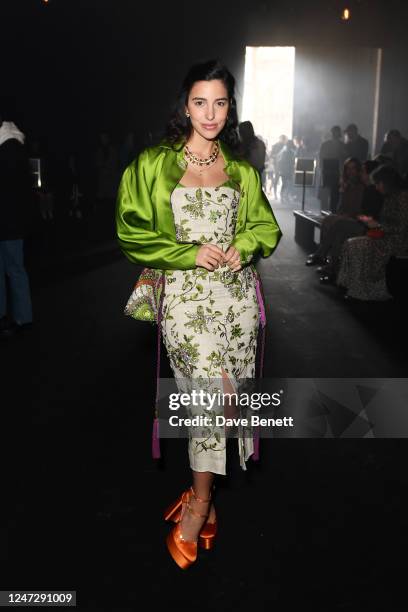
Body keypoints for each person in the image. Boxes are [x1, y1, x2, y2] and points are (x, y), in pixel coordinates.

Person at [115, 59, 282, 569]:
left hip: (236, 304)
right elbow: (131, 230)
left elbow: (265, 228)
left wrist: (243, 245)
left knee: (223, 404)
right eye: (199, 101)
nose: (210, 113)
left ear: (231, 108)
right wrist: (187, 252)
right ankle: (203, 502)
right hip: (186, 303)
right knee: (210, 396)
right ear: (184, 104)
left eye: (220, 102)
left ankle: (199, 493)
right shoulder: (152, 164)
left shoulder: (242, 170)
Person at [337, 165, 408, 301]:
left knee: (357, 246)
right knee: (350, 243)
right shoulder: (389, 196)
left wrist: (379, 226)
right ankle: (351, 285)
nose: (376, 187)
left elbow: (402, 227)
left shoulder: (403, 197)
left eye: (378, 183)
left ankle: (364, 290)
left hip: (399, 240)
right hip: (386, 236)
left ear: (386, 182)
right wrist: (372, 223)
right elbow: (385, 221)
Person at [0, 111, 35, 338]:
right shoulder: (14, 148)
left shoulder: (6, 150)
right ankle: (15, 316)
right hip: (12, 221)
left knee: (9, 270)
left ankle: (13, 317)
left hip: (6, 220)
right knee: (13, 270)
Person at [319, 126, 347, 213]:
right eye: (333, 132)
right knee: (325, 194)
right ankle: (324, 212)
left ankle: (332, 212)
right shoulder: (325, 144)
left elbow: (345, 158)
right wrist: (322, 170)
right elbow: (321, 158)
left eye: (336, 132)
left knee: (335, 194)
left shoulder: (343, 145)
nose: (335, 134)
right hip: (327, 171)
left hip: (338, 172)